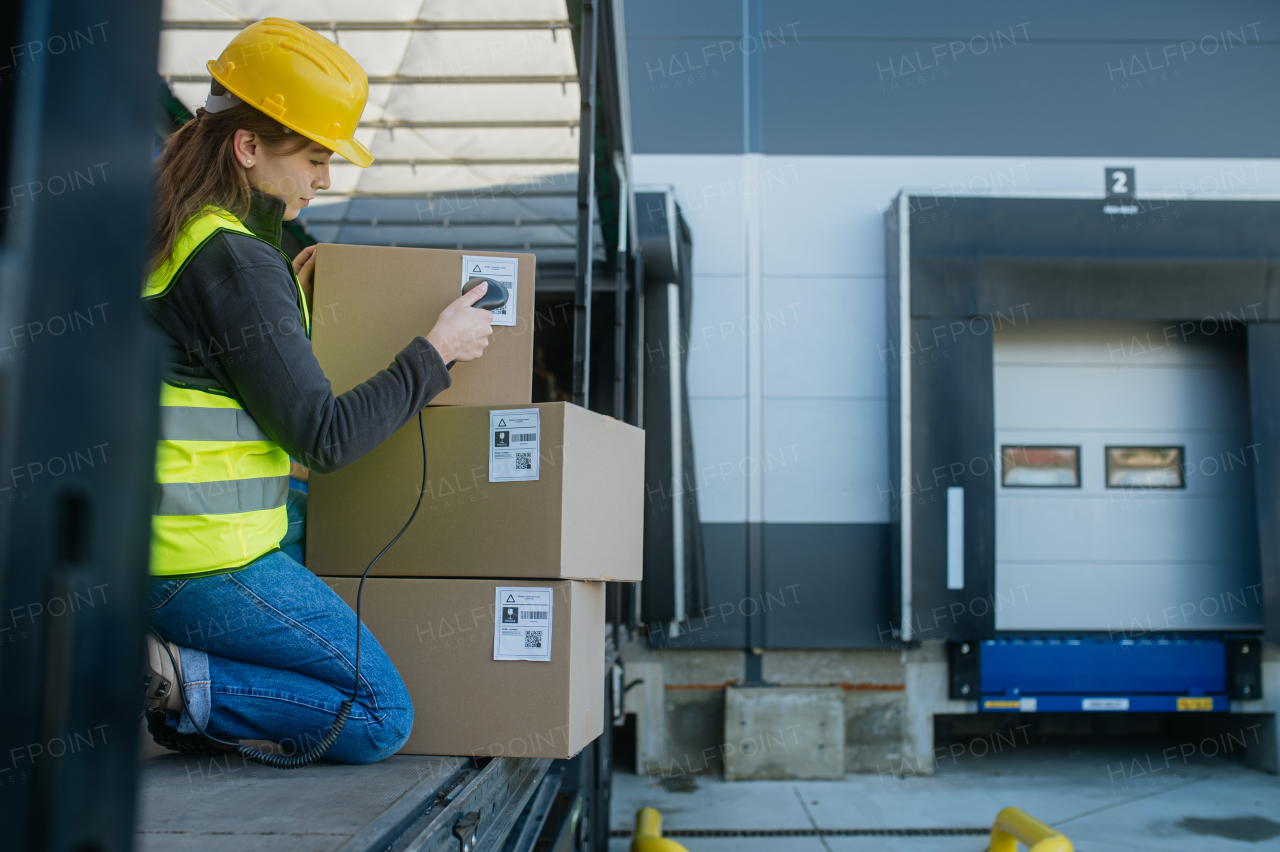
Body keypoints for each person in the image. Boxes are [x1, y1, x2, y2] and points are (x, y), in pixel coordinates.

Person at [141, 18, 494, 763]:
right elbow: (324, 438)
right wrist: (437, 353)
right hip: (201, 564)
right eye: (313, 156)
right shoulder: (238, 262)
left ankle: (200, 685)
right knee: (379, 714)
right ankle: (173, 677)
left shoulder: (190, 231)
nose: (324, 177)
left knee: (344, 522)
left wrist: (283, 304)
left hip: (159, 542)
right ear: (248, 147)